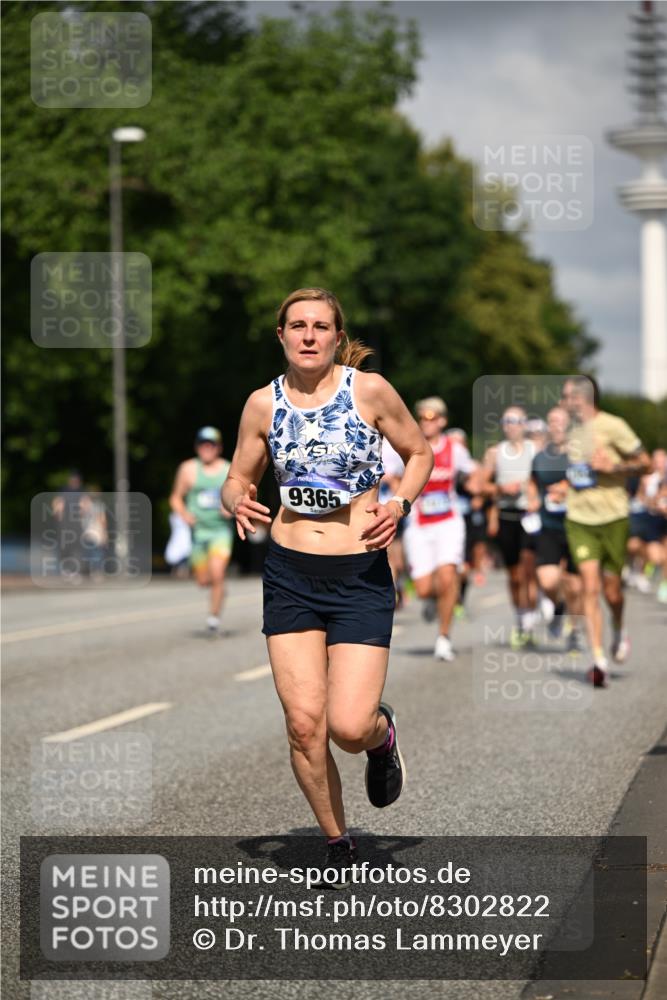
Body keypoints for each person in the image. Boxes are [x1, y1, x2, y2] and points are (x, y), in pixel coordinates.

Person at [221, 288, 432, 878]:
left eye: (320, 326)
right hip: (290, 574)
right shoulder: (262, 404)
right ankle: (338, 843)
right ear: (281, 335)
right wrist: (236, 500)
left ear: (338, 337)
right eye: (297, 325)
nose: (308, 335)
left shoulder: (370, 391)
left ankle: (381, 737)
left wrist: (400, 503)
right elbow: (237, 476)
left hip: (359, 573)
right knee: (304, 724)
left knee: (348, 726)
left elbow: (419, 453)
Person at [561, 376, 650, 687]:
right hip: (579, 519)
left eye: (567, 396)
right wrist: (562, 487)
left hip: (613, 517)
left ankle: (619, 626)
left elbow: (646, 463)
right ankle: (598, 659)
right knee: (589, 586)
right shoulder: (569, 431)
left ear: (582, 398)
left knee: (612, 592)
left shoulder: (614, 426)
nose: (563, 401)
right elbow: (576, 472)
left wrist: (613, 468)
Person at [402, 399, 478, 660]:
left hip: (448, 522)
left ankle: (444, 637)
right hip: (419, 524)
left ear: (442, 421)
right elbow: (387, 471)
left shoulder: (454, 449)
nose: (426, 422)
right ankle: (435, 600)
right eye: (422, 417)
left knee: (447, 576)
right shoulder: (408, 446)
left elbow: (474, 472)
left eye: (431, 417)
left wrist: (478, 487)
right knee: (423, 589)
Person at [526, 406, 584, 648]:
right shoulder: (541, 457)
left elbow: (591, 480)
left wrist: (566, 488)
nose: (556, 425)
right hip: (549, 525)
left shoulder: (580, 453)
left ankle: (575, 630)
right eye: (552, 421)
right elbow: (532, 481)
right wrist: (532, 497)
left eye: (561, 421)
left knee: (574, 585)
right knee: (548, 580)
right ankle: (559, 606)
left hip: (577, 525)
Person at [482, 406, 537, 648]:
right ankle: (521, 618)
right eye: (507, 421)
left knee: (529, 569)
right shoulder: (495, 453)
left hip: (530, 516)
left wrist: (536, 496)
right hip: (506, 516)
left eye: (516, 420)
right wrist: (500, 489)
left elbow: (546, 481)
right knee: (514, 575)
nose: (512, 425)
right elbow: (479, 485)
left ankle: (532, 612)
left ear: (524, 424)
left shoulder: (536, 450)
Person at [170, 427, 233, 633]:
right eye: (203, 444)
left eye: (211, 445)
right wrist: (184, 515)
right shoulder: (188, 469)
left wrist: (231, 508)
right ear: (197, 447)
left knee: (217, 574)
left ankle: (213, 619)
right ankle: (219, 589)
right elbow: (175, 498)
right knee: (203, 580)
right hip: (197, 532)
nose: (207, 448)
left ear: (219, 448)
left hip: (221, 531)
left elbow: (240, 496)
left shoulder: (228, 470)